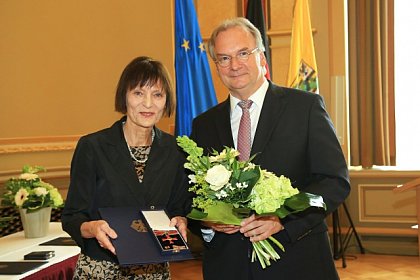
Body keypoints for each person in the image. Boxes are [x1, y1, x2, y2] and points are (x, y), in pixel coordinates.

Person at [189, 17, 350, 280]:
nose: (234, 65)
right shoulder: (204, 125)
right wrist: (207, 223)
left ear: (261, 55)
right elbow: (192, 196)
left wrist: (282, 219)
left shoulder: (305, 108)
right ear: (216, 65)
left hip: (297, 261)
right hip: (228, 267)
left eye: (243, 53)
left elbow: (334, 182)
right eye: (224, 58)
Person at [62, 56, 190, 279]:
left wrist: (181, 220)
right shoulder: (93, 147)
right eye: (139, 93)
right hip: (101, 270)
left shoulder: (176, 150)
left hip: (154, 271)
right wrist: (92, 228)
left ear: (167, 100)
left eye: (157, 95)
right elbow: (72, 216)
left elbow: (178, 207)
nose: (148, 104)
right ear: (125, 96)